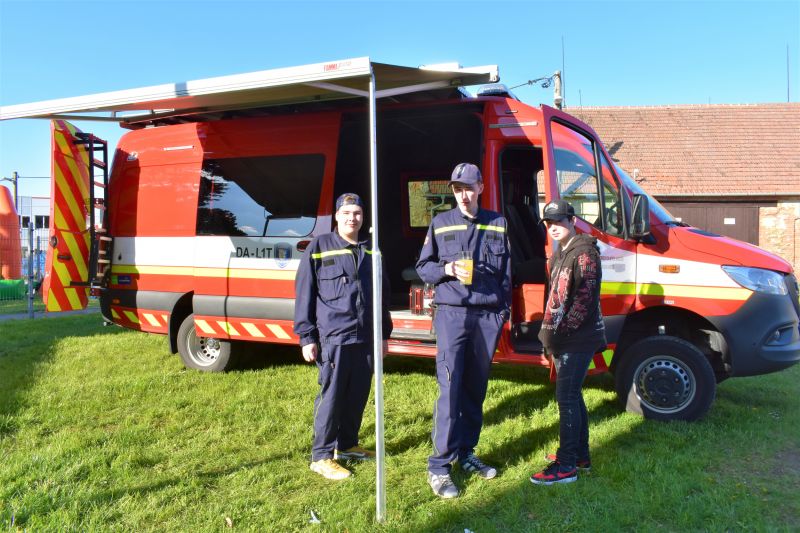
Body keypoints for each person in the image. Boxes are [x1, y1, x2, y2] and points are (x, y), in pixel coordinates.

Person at [416, 163, 511, 499]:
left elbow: (506, 273)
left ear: (481, 188)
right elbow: (423, 267)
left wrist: (502, 312)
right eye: (458, 189)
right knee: (451, 387)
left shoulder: (497, 223)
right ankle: (439, 466)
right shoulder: (441, 222)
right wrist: (447, 268)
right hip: (452, 314)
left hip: (487, 316)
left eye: (469, 188)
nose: (463, 195)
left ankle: (466, 451)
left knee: (475, 387)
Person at [294, 192, 392, 480]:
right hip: (333, 336)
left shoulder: (372, 250)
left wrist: (383, 335)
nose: (352, 218)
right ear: (336, 216)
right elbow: (305, 293)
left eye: (357, 213)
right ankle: (321, 456)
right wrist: (306, 336)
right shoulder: (319, 247)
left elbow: (382, 295)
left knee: (357, 393)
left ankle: (347, 445)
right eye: (347, 213)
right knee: (332, 396)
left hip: (365, 337)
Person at [530, 199, 606, 486]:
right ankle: (580, 456)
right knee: (573, 395)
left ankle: (566, 466)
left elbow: (584, 301)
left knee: (566, 398)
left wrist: (560, 336)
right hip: (566, 338)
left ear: (573, 221)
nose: (553, 227)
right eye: (549, 223)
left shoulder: (585, 253)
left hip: (577, 339)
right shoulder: (561, 253)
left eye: (559, 222)